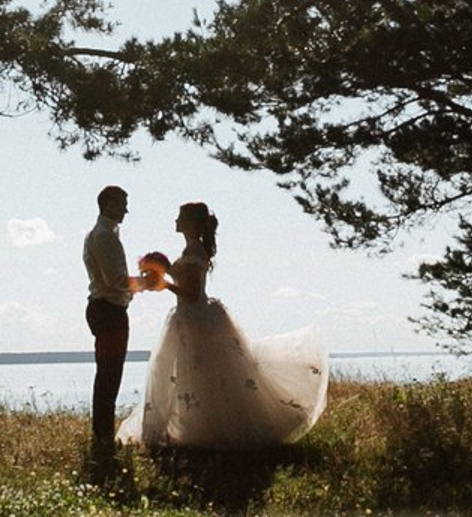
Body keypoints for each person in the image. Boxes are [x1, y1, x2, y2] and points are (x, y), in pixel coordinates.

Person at [123, 202, 328, 450]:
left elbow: (192, 292)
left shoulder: (196, 250)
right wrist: (164, 269)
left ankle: (210, 432)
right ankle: (194, 429)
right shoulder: (191, 248)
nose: (175, 219)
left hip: (196, 320)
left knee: (205, 376)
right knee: (197, 377)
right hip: (189, 320)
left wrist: (165, 284)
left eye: (179, 216)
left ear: (189, 222)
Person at [82, 182, 134, 455]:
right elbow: (116, 281)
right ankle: (102, 436)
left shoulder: (105, 234)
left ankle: (102, 433)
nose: (127, 209)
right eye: (123, 203)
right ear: (109, 203)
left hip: (106, 307)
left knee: (108, 373)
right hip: (109, 309)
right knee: (109, 374)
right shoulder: (103, 236)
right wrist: (148, 282)